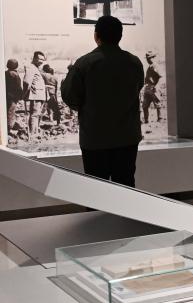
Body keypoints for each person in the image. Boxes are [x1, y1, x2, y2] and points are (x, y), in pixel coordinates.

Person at [60, 16, 144, 186]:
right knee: (126, 187)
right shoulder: (134, 62)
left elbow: (70, 96)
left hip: (95, 139)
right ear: (120, 35)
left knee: (96, 190)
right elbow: (138, 87)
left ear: (96, 35)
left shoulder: (84, 64)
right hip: (127, 138)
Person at [22, 52, 47, 136]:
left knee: (37, 115)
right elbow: (26, 82)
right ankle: (32, 134)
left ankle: (35, 132)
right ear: (34, 58)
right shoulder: (31, 67)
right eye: (40, 59)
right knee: (34, 115)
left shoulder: (35, 68)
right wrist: (25, 94)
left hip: (39, 95)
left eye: (43, 60)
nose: (41, 61)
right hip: (36, 95)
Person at [142, 51, 162, 123]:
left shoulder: (155, 66)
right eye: (147, 59)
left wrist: (156, 86)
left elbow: (160, 77)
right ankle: (146, 120)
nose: (148, 60)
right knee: (145, 105)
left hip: (153, 87)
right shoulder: (150, 67)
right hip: (148, 88)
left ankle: (160, 118)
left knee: (157, 103)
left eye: (149, 58)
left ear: (153, 58)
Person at [5, 59, 22, 135]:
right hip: (13, 97)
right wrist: (21, 96)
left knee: (6, 111)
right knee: (11, 112)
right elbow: (18, 87)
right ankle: (8, 129)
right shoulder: (15, 75)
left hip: (6, 95)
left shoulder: (5, 73)